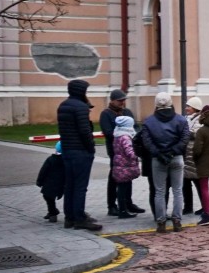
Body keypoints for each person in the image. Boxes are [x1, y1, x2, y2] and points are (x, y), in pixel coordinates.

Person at [140, 92, 191, 233]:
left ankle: (161, 222)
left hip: (158, 159)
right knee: (178, 190)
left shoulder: (149, 121)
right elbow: (185, 138)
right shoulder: (180, 120)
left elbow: (147, 142)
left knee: (159, 191)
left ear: (156, 104)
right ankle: (177, 220)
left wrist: (158, 153)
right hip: (176, 157)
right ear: (171, 103)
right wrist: (174, 151)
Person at [56, 79, 100, 231]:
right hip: (81, 152)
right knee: (81, 187)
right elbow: (84, 131)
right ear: (81, 92)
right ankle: (80, 218)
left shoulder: (63, 106)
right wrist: (91, 148)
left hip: (67, 150)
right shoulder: (80, 107)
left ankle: (70, 218)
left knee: (70, 185)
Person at [100, 88, 141, 216]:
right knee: (114, 177)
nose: (122, 103)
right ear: (112, 101)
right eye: (119, 101)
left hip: (129, 148)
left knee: (128, 176)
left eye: (123, 100)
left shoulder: (127, 112)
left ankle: (128, 203)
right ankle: (111, 205)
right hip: (115, 150)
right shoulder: (106, 114)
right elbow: (107, 132)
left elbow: (135, 127)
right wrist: (122, 134)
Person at [109, 116, 142, 220]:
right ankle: (123, 210)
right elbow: (129, 151)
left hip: (120, 165)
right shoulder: (125, 137)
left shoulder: (117, 135)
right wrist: (138, 156)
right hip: (125, 166)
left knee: (122, 187)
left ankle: (123, 209)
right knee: (123, 189)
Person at [181, 97, 204, 216]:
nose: (186, 108)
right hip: (186, 155)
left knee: (198, 183)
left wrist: (184, 132)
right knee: (185, 183)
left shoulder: (200, 120)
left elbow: (196, 134)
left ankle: (207, 206)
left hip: (193, 156)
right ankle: (188, 206)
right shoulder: (187, 119)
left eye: (188, 106)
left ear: (195, 107)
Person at [35, 142, 65, 222]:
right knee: (50, 198)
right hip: (61, 183)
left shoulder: (51, 159)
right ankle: (52, 212)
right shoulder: (66, 160)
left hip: (50, 183)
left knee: (48, 197)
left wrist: (39, 181)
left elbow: (43, 170)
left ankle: (53, 212)